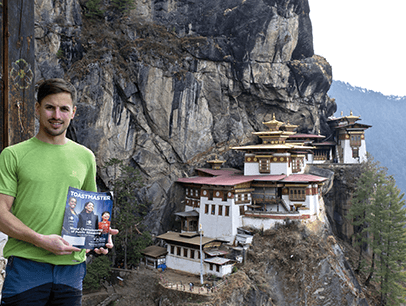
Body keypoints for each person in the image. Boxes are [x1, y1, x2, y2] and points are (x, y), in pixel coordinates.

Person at [0, 78, 118, 305]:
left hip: (71, 272)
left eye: (64, 109)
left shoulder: (85, 157)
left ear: (73, 112)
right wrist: (39, 240)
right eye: (50, 107)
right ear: (37, 109)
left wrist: (99, 238)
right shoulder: (13, 155)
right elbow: (1, 214)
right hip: (26, 267)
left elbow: (90, 212)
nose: (57, 115)